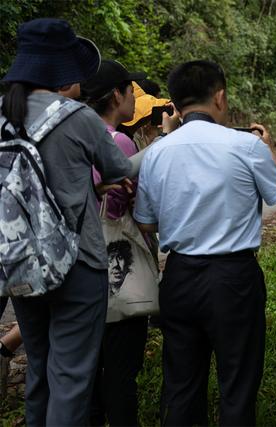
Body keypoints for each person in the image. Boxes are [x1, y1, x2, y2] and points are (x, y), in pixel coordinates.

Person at [133, 59, 276, 426]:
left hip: (179, 276)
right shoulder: (245, 146)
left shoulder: (158, 151)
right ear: (220, 97)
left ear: (174, 104)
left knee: (181, 383)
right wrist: (267, 147)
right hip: (234, 278)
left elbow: (144, 221)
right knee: (237, 382)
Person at [0, 18, 132, 426]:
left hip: (20, 260)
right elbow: (120, 167)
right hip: (77, 264)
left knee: (39, 367)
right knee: (71, 378)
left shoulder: (4, 117)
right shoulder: (79, 117)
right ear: (61, 71)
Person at [81, 58, 177, 427]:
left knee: (87, 371)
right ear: (117, 95)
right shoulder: (116, 140)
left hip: (78, 269)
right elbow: (126, 208)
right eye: (131, 92)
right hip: (114, 268)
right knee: (120, 373)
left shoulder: (75, 136)